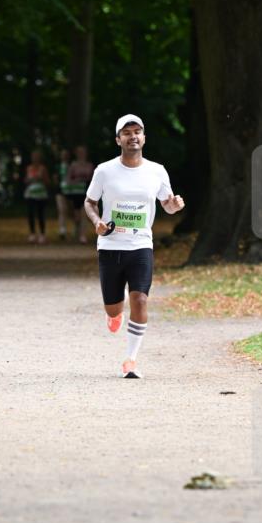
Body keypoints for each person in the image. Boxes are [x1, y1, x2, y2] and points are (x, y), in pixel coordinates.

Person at [85, 114, 184, 378]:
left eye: (137, 131)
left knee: (140, 300)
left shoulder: (156, 171)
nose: (133, 136)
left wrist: (173, 206)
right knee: (114, 307)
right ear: (118, 140)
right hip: (110, 246)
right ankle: (114, 315)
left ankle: (131, 359)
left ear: (144, 137)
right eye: (127, 132)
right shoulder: (105, 171)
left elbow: (167, 202)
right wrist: (96, 221)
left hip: (141, 245)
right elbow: (90, 202)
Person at [66, 145, 94, 243]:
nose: (81, 154)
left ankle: (83, 235)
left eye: (83, 152)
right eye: (79, 152)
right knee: (77, 216)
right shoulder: (73, 165)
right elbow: (68, 180)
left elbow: (93, 180)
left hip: (86, 192)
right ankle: (76, 232)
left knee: (84, 214)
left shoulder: (90, 165)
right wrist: (76, 181)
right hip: (75, 193)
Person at [23, 149, 50, 243]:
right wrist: (29, 180)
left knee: (40, 214)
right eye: (34, 157)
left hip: (41, 195)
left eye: (37, 157)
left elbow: (47, 182)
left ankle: (42, 234)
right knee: (30, 214)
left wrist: (41, 178)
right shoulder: (29, 168)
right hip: (30, 194)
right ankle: (32, 234)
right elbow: (25, 181)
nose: (35, 159)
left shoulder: (43, 168)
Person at [54, 147, 72, 240]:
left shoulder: (72, 165)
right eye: (63, 154)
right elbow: (55, 178)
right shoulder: (57, 166)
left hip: (71, 191)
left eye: (66, 154)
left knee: (71, 211)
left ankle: (75, 230)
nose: (64, 156)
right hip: (60, 191)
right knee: (61, 209)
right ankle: (62, 229)